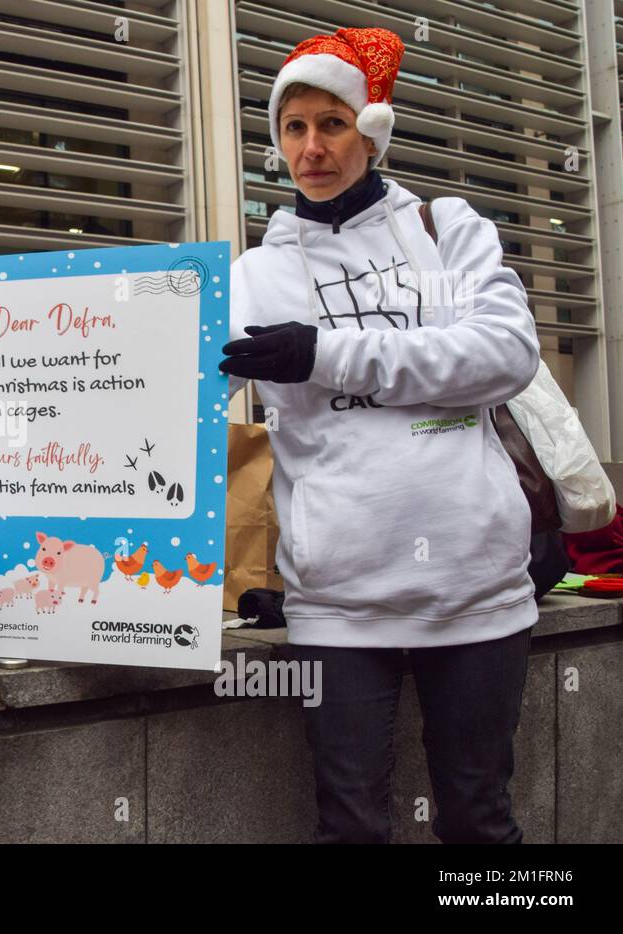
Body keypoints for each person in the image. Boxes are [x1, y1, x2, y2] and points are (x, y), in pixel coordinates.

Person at [219, 27, 542, 844]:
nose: (313, 146)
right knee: (350, 828)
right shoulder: (254, 274)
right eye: (294, 127)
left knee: (479, 821)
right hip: (337, 603)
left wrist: (325, 352)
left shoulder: (446, 227)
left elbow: (505, 354)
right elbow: (169, 392)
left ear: (372, 130)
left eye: (333, 122)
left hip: (477, 592)